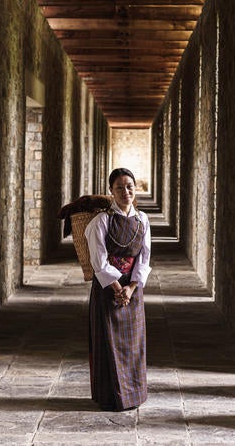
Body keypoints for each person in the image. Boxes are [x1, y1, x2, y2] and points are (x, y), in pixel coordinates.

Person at [84, 167, 151, 412]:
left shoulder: (142, 220)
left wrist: (131, 288)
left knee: (133, 345)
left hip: (132, 292)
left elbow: (144, 258)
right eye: (120, 187)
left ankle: (134, 394)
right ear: (111, 191)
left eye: (130, 186)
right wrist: (116, 287)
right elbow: (98, 260)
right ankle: (110, 396)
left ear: (135, 189)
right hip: (107, 290)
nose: (126, 191)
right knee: (107, 342)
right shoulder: (101, 221)